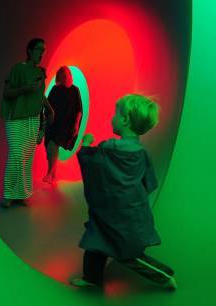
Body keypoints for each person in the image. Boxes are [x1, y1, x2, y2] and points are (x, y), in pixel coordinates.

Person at [70, 94, 176, 289]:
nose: (113, 118)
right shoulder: (142, 152)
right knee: (97, 241)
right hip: (129, 210)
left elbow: (91, 166)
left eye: (116, 114)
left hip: (114, 214)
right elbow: (149, 182)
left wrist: (85, 145)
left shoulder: (109, 148)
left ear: (125, 120)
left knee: (125, 254)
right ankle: (91, 278)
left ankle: (163, 275)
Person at [0, 38, 55, 208]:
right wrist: (24, 89)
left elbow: (39, 95)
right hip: (16, 117)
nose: (42, 53)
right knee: (16, 156)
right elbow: (7, 93)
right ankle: (9, 195)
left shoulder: (40, 72)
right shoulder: (18, 69)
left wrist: (49, 108)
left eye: (44, 50)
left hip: (33, 118)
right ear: (30, 50)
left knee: (26, 158)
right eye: (39, 49)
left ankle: (22, 195)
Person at [43, 66, 82, 183]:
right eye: (63, 76)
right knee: (50, 147)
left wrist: (76, 124)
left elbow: (78, 110)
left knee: (53, 145)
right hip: (53, 123)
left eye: (67, 75)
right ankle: (52, 175)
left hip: (66, 125)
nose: (66, 78)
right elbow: (48, 106)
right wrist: (45, 120)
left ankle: (50, 174)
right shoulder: (55, 89)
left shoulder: (75, 90)